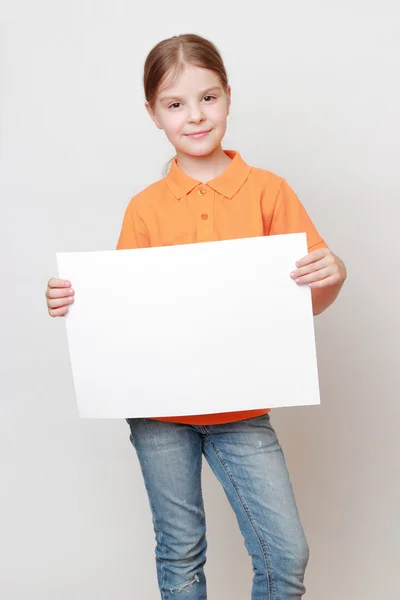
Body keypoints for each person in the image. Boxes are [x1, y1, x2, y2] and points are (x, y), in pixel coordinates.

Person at [45, 34, 347, 600]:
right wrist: (74, 302)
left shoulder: (269, 192)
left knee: (285, 557)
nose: (195, 116)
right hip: (159, 411)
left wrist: (332, 275)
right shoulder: (145, 207)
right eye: (175, 104)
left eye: (208, 98)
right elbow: (122, 313)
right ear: (153, 114)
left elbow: (309, 299)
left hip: (243, 405)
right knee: (180, 553)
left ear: (229, 98)